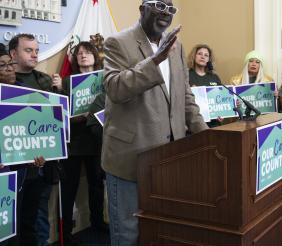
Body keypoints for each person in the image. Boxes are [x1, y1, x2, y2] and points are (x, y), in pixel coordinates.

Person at [102, 0, 208, 245]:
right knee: (128, 234)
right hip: (130, 158)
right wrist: (155, 61)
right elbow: (115, 89)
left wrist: (206, 135)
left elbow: (184, 95)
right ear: (142, 9)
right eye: (159, 6)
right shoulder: (117, 42)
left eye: (171, 9)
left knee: (160, 229)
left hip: (169, 156)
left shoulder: (176, 45)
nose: (165, 13)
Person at [9, 33, 61, 246]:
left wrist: (59, 93)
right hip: (14, 167)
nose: (34, 54)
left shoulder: (45, 80)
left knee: (37, 220)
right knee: (13, 224)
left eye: (36, 50)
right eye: (28, 50)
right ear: (13, 53)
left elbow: (55, 122)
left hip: (43, 165)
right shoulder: (6, 82)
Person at [59, 41, 107, 245]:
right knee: (69, 186)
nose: (83, 56)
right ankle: (66, 231)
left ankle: (97, 221)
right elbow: (62, 113)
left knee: (96, 184)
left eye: (87, 52)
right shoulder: (68, 81)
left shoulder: (105, 78)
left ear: (95, 56)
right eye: (79, 53)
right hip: (74, 141)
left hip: (97, 139)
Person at [0, 43, 46, 246]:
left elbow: (32, 133)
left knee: (26, 224)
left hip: (26, 172)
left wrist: (36, 155)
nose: (10, 68)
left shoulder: (23, 93)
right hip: (3, 175)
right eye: (3, 65)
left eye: (11, 64)